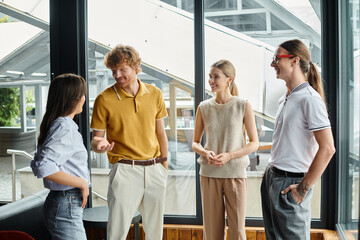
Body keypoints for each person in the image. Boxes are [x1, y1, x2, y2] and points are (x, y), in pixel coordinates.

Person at [90, 44, 168, 240]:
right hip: (124, 170)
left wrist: (164, 165)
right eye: (113, 71)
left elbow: (161, 133)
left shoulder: (155, 94)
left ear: (136, 66)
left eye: (122, 69)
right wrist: (99, 145)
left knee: (155, 234)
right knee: (117, 233)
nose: (117, 75)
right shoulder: (104, 99)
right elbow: (96, 139)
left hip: (154, 169)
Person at [261, 39, 336, 240]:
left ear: (294, 61)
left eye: (277, 58)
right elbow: (286, 140)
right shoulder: (286, 97)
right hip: (273, 177)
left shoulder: (309, 99)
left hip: (291, 183)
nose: (272, 64)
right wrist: (271, 169)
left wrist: (303, 188)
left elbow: (328, 148)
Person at [192, 60, 259, 240]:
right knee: (212, 232)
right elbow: (195, 142)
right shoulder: (204, 107)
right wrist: (205, 153)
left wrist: (230, 155)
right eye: (210, 76)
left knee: (237, 231)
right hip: (209, 173)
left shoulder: (243, 105)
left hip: (235, 174)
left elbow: (254, 143)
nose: (211, 80)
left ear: (230, 79)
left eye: (216, 77)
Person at [30, 73, 90, 240]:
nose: (84, 98)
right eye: (82, 94)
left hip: (62, 202)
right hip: (66, 202)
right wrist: (82, 183)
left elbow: (36, 163)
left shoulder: (55, 123)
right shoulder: (64, 127)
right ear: (74, 99)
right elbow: (43, 167)